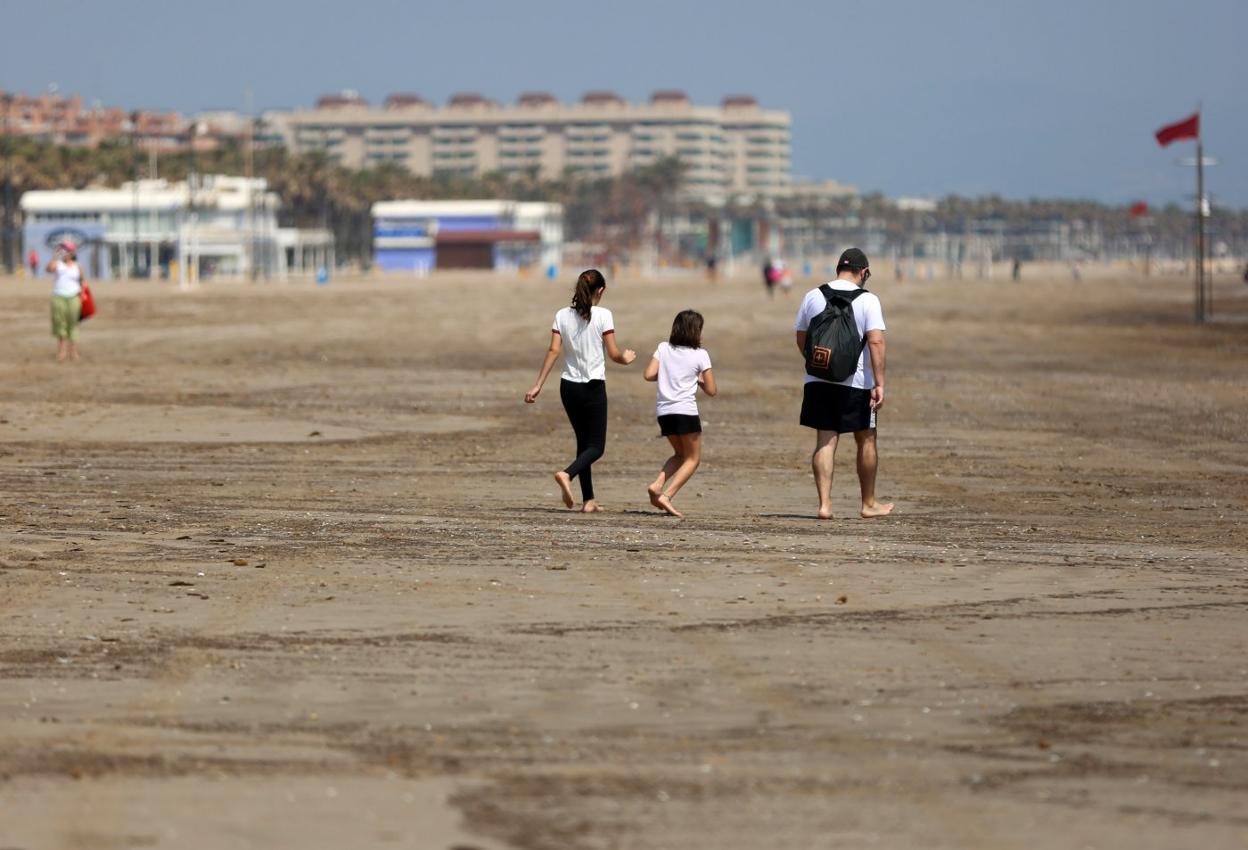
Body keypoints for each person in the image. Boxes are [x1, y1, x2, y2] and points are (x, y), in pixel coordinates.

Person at [793, 247, 893, 519]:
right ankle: (868, 503)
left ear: (838, 268)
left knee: (825, 439)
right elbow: (876, 341)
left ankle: (825, 504)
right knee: (866, 440)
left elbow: (802, 337)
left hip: (818, 379)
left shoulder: (813, 295)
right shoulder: (868, 300)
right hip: (858, 383)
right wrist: (880, 382)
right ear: (864, 272)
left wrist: (818, 363)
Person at [525, 269, 636, 512]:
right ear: (601, 291)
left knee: (584, 443)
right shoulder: (603, 315)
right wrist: (626, 358)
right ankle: (567, 474)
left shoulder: (562, 315)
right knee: (596, 447)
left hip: (568, 387)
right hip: (593, 387)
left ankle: (589, 500)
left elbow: (554, 351)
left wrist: (538, 385)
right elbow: (614, 353)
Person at [643, 310, 716, 518]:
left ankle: (657, 485)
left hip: (664, 411)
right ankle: (667, 495)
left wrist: (667, 375)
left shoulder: (663, 348)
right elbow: (712, 390)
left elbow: (648, 374)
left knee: (679, 455)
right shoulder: (700, 354)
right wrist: (698, 380)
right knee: (693, 459)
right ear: (696, 332)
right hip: (685, 411)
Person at [46, 241, 85, 362]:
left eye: (68, 250)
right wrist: (55, 256)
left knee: (73, 325)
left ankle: (74, 351)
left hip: (74, 297)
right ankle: (62, 352)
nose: (66, 253)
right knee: (60, 324)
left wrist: (83, 296)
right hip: (59, 297)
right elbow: (49, 269)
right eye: (64, 250)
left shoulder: (77, 266)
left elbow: (83, 281)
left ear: (73, 252)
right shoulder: (58, 264)